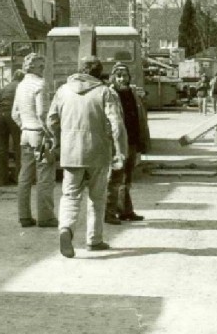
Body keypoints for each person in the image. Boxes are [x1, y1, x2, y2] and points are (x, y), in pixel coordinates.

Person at [47, 55, 127, 258]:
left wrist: (59, 139)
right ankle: (94, 239)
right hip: (98, 152)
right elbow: (116, 124)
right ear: (99, 72)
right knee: (97, 197)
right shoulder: (105, 92)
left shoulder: (63, 91)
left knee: (70, 194)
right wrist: (120, 151)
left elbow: (51, 120)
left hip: (71, 151)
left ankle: (66, 228)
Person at [12, 54, 57, 228]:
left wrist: (24, 126)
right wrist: (51, 134)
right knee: (45, 176)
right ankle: (46, 217)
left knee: (24, 176)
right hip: (40, 133)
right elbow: (42, 113)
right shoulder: (41, 84)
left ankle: (24, 216)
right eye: (41, 66)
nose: (43, 69)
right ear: (33, 68)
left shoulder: (21, 85)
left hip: (26, 134)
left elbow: (14, 113)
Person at [105, 62, 150, 224]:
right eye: (118, 76)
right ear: (113, 77)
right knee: (115, 177)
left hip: (132, 140)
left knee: (127, 178)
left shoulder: (133, 92)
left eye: (124, 75)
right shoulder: (109, 94)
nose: (122, 79)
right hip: (117, 142)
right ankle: (109, 212)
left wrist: (142, 141)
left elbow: (140, 118)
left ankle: (125, 211)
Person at [0, 70, 24, 186]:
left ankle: (2, 180)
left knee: (2, 148)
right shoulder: (22, 86)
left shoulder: (5, 88)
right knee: (19, 147)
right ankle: (20, 179)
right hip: (13, 116)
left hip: (0, 117)